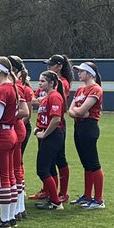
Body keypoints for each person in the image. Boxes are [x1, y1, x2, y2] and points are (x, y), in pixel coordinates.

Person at [0, 57, 28, 228]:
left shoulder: (3, 89)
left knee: (2, 177)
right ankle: (10, 215)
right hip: (10, 131)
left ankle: (5, 218)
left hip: (1, 134)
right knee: (10, 176)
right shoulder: (12, 86)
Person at [68, 61, 106, 209]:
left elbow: (79, 110)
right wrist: (78, 112)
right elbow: (72, 110)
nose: (79, 73)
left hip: (89, 128)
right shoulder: (79, 90)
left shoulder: (96, 89)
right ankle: (87, 195)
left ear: (90, 74)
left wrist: (78, 112)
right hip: (79, 126)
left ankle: (98, 199)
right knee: (86, 163)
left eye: (81, 71)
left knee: (93, 163)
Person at [33, 70, 67, 211]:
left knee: (42, 169)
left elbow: (56, 119)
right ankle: (53, 199)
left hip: (53, 135)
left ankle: (56, 201)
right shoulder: (47, 97)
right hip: (49, 134)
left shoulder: (55, 96)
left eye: (43, 81)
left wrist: (45, 134)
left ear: (51, 83)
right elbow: (44, 118)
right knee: (50, 168)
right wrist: (38, 129)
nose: (40, 84)